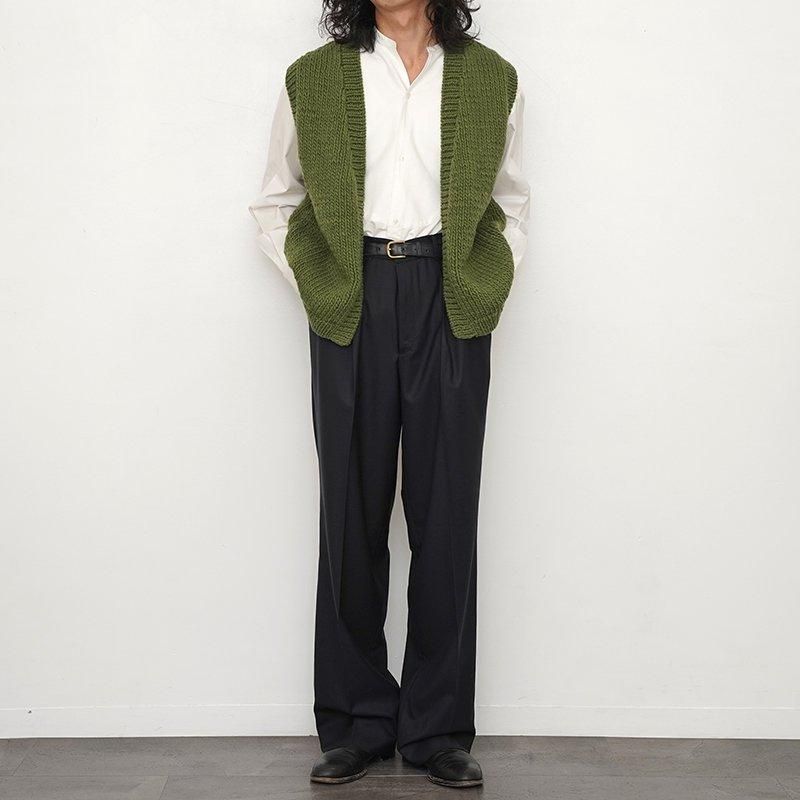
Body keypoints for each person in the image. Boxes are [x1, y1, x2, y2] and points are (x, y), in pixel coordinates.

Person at [249, 0, 529, 788]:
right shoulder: (313, 78)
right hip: (353, 296)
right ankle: (356, 722)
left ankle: (437, 730)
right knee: (351, 508)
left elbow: (510, 202)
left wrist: (487, 280)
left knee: (447, 514)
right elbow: (275, 198)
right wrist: (320, 283)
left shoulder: (492, 78)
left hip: (451, 296)